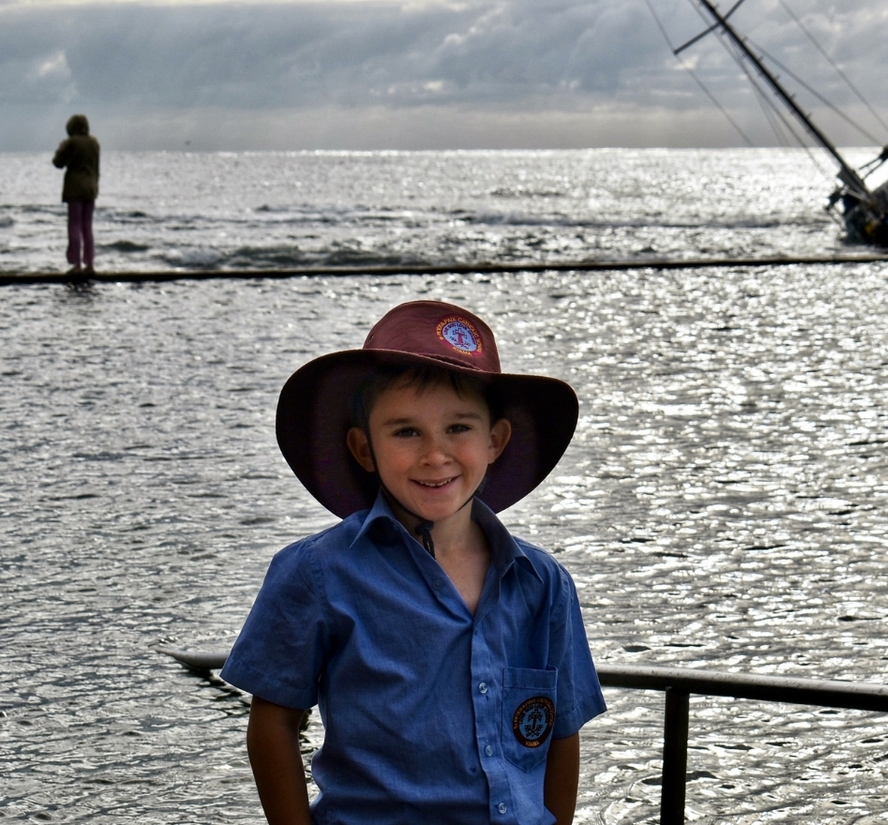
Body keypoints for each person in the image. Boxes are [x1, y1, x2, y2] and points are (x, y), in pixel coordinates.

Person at [221, 300, 606, 825]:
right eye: (406, 432)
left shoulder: (543, 583)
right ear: (363, 449)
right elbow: (273, 724)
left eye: (459, 429)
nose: (435, 455)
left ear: (495, 441)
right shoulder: (317, 573)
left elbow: (562, 733)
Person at [52, 114, 100, 275]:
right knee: (87, 227)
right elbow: (96, 168)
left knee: (74, 226)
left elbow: (58, 163)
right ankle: (90, 264)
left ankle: (77, 264)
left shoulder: (71, 142)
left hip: (75, 188)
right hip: (91, 187)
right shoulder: (94, 142)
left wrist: (61, 148)